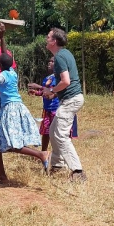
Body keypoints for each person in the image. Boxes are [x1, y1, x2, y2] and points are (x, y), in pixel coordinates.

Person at [0, 28, 49, 184]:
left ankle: (41, 155)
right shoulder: (12, 71)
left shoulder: (4, 74)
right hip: (13, 107)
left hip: (10, 109)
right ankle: (2, 176)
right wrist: (3, 36)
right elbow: (6, 55)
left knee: (13, 143)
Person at [43, 28, 87, 182]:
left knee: (60, 135)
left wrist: (52, 90)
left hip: (70, 100)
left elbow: (66, 81)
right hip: (71, 99)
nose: (46, 39)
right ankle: (57, 166)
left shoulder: (60, 57)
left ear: (54, 41)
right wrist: (53, 92)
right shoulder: (65, 53)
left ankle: (77, 171)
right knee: (54, 131)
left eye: (48, 37)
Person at [28, 56, 78, 156]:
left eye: (52, 61)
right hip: (47, 110)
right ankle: (43, 153)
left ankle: (64, 153)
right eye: (49, 61)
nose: (49, 63)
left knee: (60, 132)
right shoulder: (47, 78)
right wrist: (36, 92)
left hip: (57, 109)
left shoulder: (61, 78)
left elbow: (53, 93)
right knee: (46, 132)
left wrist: (38, 86)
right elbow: (46, 93)